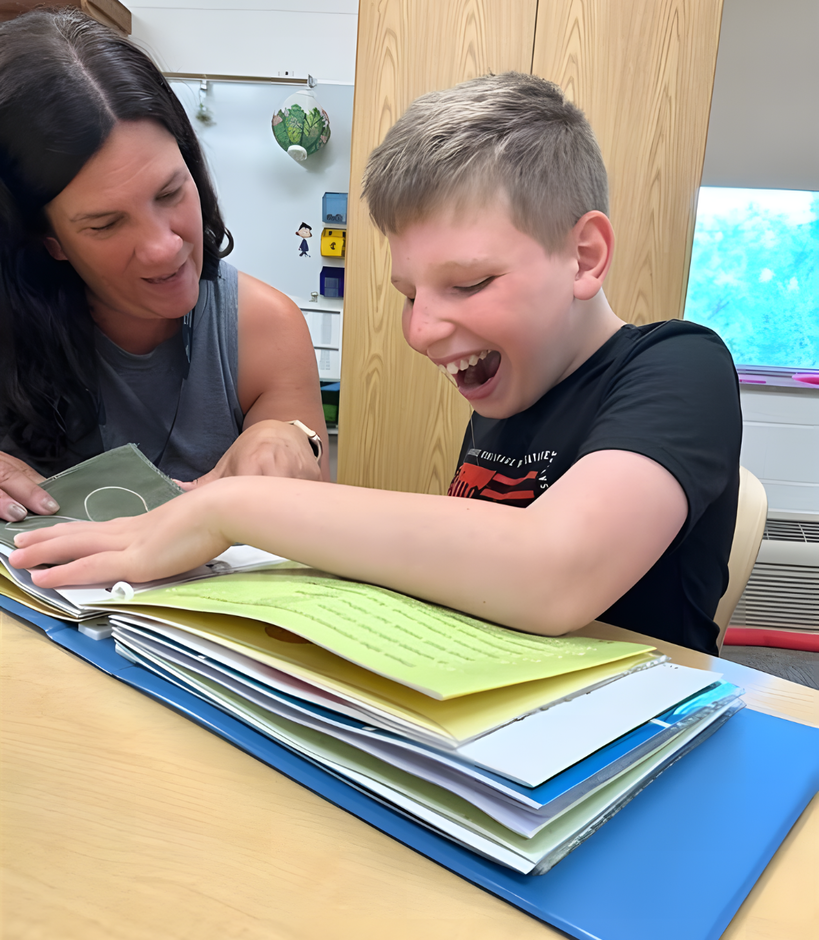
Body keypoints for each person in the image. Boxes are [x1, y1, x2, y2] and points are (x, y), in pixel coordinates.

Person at [10, 73, 742, 655]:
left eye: (469, 283)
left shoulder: (681, 365)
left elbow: (553, 572)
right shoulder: (508, 398)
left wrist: (227, 507)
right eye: (410, 294)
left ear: (583, 256)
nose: (420, 330)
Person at [0, 9, 329, 524]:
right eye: (105, 224)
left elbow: (308, 526)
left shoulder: (264, 329)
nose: (163, 248)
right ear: (47, 240)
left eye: (171, 191)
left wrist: (287, 442)